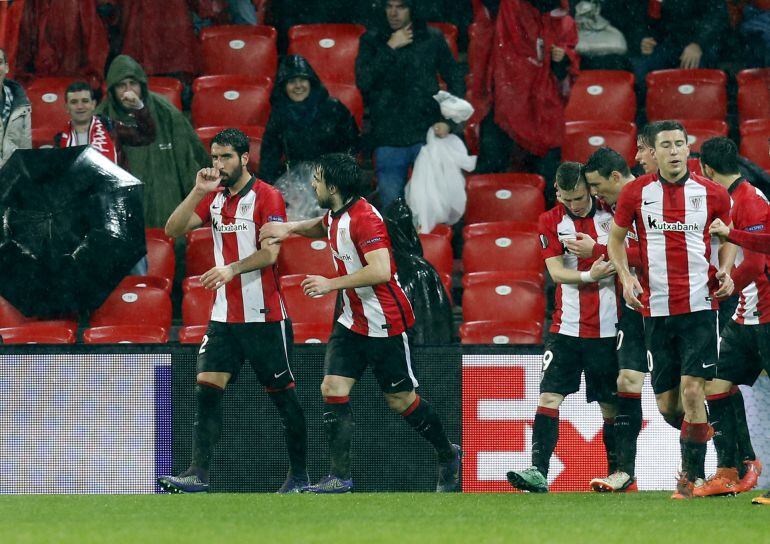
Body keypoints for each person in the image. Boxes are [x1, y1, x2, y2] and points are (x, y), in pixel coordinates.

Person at [259, 153, 461, 493]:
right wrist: (289, 228)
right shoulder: (339, 212)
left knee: (402, 401)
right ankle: (340, 477)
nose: (312, 184)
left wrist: (329, 284)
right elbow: (322, 225)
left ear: (333, 187)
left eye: (318, 179)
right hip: (351, 320)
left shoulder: (365, 218)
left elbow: (382, 269)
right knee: (332, 389)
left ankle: (448, 454)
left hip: (384, 322)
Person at [158, 128, 308, 494]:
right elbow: (171, 228)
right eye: (214, 157)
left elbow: (271, 253)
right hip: (224, 317)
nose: (218, 164)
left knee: (284, 398)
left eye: (226, 157)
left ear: (244, 158)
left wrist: (231, 269)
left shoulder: (267, 196)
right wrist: (197, 190)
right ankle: (198, 473)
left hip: (264, 317)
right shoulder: (213, 198)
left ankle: (299, 476)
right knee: (206, 390)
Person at [608, 120, 734, 499]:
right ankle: (709, 442)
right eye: (667, 145)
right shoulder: (634, 193)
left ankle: (691, 477)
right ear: (654, 151)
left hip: (699, 307)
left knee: (694, 390)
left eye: (681, 144)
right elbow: (615, 241)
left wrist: (725, 269)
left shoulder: (712, 193)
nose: (676, 151)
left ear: (687, 150)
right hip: (655, 310)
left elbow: (725, 236)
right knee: (667, 405)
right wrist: (626, 278)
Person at [506, 162, 621, 493]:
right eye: (568, 199)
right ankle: (538, 472)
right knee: (549, 396)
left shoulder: (611, 214)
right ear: (557, 192)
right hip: (565, 328)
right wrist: (590, 276)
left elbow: (628, 256)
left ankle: (617, 473)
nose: (575, 205)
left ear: (590, 188)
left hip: (608, 329)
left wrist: (602, 260)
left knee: (610, 404)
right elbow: (556, 273)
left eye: (580, 197)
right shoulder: (550, 221)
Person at [696, 137, 764, 498]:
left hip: (766, 312)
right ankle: (729, 470)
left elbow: (754, 262)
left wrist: (725, 288)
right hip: (747, 315)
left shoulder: (748, 201)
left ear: (707, 170)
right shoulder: (732, 199)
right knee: (716, 385)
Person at [356, 0, 464, 210]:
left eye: (401, 7)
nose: (394, 13)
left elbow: (456, 80)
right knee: (393, 211)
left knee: (433, 209)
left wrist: (448, 121)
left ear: (412, 9)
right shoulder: (372, 40)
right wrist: (390, 48)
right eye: (389, 6)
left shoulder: (432, 38)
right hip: (388, 136)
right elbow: (363, 81)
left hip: (426, 134)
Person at [475, 0, 578, 206]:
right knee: (492, 168)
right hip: (507, 102)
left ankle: (549, 225)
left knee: (547, 176)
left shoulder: (563, 21)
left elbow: (566, 72)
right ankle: (489, 221)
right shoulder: (508, 9)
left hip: (543, 108)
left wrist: (562, 59)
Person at [96, 55, 210, 228]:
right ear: (111, 89)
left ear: (142, 84)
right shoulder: (100, 119)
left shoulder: (165, 113)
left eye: (133, 84)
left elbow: (189, 159)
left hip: (165, 203)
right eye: (121, 85)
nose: (128, 91)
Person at [258, 54, 359, 184]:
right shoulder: (279, 115)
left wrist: (338, 174)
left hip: (334, 177)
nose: (298, 86)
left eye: (303, 80)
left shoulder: (333, 108)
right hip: (297, 180)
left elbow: (352, 144)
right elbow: (269, 157)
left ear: (311, 83)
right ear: (283, 86)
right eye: (291, 81)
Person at [55, 80, 155, 169]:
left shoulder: (110, 127)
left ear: (93, 104)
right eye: (74, 102)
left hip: (114, 189)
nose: (80, 106)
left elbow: (146, 136)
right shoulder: (60, 140)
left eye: (85, 101)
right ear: (67, 107)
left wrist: (139, 107)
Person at [0, 48, 31, 168]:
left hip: (12, 177)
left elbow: (25, 149)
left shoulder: (21, 103)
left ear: (6, 67)